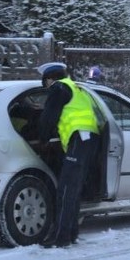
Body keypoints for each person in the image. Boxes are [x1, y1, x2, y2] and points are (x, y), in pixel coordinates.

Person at [36, 62, 101, 248]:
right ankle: (71, 233)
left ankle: (60, 237)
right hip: (89, 140)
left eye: (45, 82)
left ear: (49, 79)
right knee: (73, 190)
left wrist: (43, 139)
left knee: (65, 190)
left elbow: (49, 116)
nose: (46, 86)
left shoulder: (59, 87)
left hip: (78, 139)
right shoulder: (77, 88)